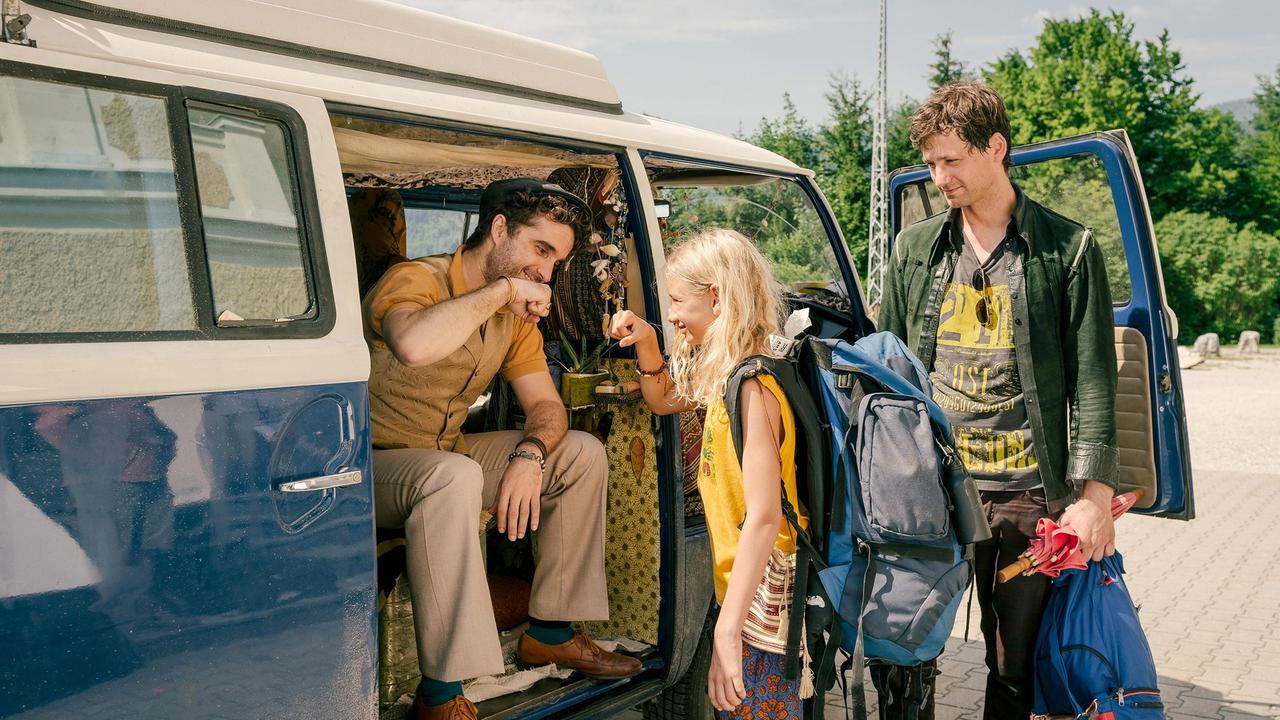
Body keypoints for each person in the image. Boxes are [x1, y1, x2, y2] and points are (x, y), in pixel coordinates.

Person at [878, 82, 1119, 719]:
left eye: (951, 160)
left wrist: (1093, 499)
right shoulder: (915, 250)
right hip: (932, 491)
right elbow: (894, 375)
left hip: (1026, 495)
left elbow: (1095, 379)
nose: (939, 176)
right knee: (904, 653)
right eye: (930, 164)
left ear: (996, 148)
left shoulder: (1068, 250)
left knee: (1014, 665)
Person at [363, 178, 642, 720]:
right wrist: (502, 293)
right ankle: (441, 696)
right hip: (367, 464)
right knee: (454, 477)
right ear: (497, 229)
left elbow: (546, 407)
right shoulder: (416, 279)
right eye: (541, 250)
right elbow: (413, 343)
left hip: (446, 452)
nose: (546, 272)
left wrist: (531, 454)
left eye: (557, 261)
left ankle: (550, 632)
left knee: (579, 453)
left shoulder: (515, 321)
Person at [609, 228, 806, 719]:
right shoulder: (729, 371)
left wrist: (726, 630)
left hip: (760, 600)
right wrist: (650, 340)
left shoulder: (752, 388)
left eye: (677, 301)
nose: (673, 313)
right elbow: (663, 399)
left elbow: (763, 518)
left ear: (716, 297)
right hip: (744, 588)